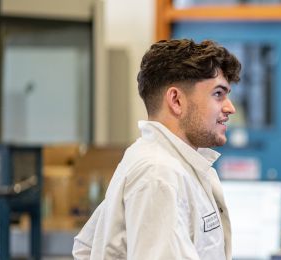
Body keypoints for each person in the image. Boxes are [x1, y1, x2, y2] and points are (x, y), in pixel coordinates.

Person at [73, 39, 241, 259]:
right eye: (218, 94)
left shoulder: (162, 162)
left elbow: (86, 248)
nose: (230, 108)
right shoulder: (158, 173)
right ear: (176, 100)